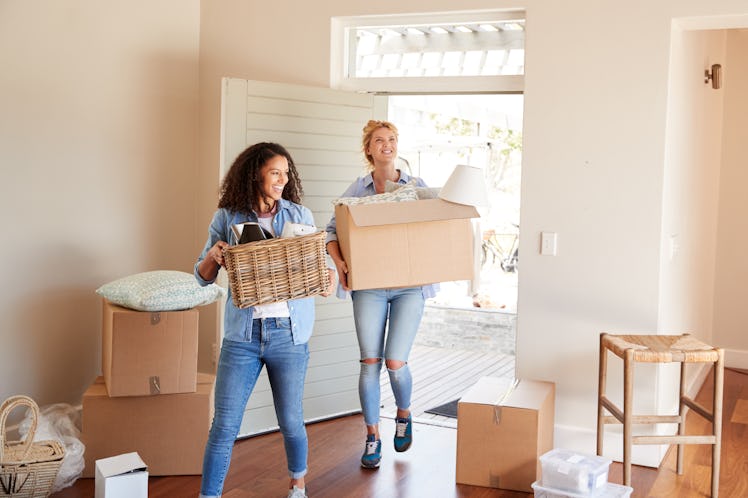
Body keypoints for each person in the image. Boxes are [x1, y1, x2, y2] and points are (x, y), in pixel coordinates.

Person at [195, 142, 333, 498]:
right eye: (276, 172)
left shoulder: (300, 215)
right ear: (255, 173)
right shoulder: (228, 217)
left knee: (290, 421)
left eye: (286, 173)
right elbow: (201, 276)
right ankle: (208, 496)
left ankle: (298, 486)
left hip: (289, 333)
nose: (283, 180)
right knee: (224, 426)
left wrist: (329, 276)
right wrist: (214, 255)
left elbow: (317, 265)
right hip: (242, 336)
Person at [324, 120, 436, 469]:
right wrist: (340, 263)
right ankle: (372, 436)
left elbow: (434, 226)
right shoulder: (356, 190)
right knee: (369, 361)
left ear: (396, 146)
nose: (386, 145)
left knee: (394, 362)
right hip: (369, 287)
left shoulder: (416, 187)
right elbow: (332, 230)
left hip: (408, 287)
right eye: (378, 141)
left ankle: (403, 413)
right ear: (368, 149)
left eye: (391, 140)